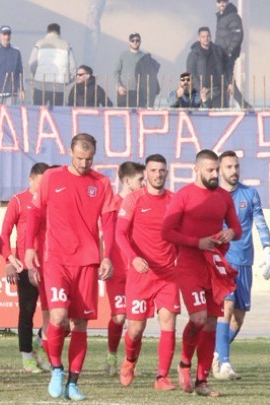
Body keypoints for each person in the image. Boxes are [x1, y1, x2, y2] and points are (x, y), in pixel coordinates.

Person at [24, 133, 119, 401]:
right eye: (79, 158)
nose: (84, 163)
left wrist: (108, 257)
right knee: (57, 317)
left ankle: (73, 383)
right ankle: (56, 369)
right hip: (55, 259)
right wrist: (30, 248)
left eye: (89, 159)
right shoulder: (52, 177)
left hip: (87, 261)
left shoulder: (101, 183)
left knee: (80, 324)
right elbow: (35, 213)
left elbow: (109, 222)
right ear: (70, 152)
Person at [161, 149, 242, 397]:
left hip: (213, 265)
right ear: (196, 170)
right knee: (198, 318)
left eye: (217, 169)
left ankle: (202, 382)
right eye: (210, 170)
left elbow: (236, 228)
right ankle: (184, 363)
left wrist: (230, 233)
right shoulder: (184, 195)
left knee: (211, 322)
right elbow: (167, 232)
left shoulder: (223, 197)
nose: (215, 174)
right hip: (189, 265)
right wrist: (197, 243)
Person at [115, 154, 179, 391]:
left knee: (168, 321)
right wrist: (134, 258)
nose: (158, 174)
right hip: (140, 275)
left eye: (162, 170)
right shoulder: (134, 200)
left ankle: (162, 377)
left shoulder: (175, 201)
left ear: (166, 173)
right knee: (136, 329)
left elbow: (181, 233)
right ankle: (129, 361)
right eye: (153, 170)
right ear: (146, 174)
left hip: (168, 275)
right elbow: (120, 234)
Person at [212, 150, 270, 380]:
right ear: (220, 170)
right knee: (226, 307)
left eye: (236, 166)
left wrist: (268, 250)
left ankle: (215, 353)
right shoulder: (214, 196)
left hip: (245, 262)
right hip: (222, 261)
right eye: (229, 167)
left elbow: (260, 223)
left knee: (238, 317)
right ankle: (224, 363)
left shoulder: (250, 194)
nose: (234, 171)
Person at [1, 162, 51, 373]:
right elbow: (4, 233)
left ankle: (40, 345)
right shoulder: (18, 201)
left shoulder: (52, 200)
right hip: (25, 266)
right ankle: (27, 357)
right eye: (40, 183)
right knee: (27, 311)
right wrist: (9, 261)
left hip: (50, 265)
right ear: (30, 180)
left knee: (58, 314)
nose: (43, 187)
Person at [105, 161, 143, 377]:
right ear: (128, 181)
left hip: (139, 272)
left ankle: (131, 363)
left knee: (137, 321)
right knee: (119, 317)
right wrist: (105, 260)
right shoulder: (112, 204)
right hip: (117, 271)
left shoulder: (143, 202)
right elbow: (106, 234)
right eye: (141, 179)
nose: (144, 183)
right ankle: (111, 356)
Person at [214, 0, 251, 109]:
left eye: (224, 1)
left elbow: (238, 35)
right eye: (219, 2)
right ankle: (239, 104)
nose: (221, 4)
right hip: (221, 53)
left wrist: (230, 51)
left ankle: (242, 104)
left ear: (228, 2)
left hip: (227, 54)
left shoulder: (232, 16)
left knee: (227, 79)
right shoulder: (222, 16)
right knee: (226, 79)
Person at [29, 23, 76, 106]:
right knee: (56, 112)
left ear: (47, 31)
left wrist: (36, 75)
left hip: (40, 84)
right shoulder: (66, 45)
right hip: (58, 86)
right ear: (59, 32)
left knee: (39, 111)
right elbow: (73, 68)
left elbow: (31, 63)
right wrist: (67, 81)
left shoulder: (39, 43)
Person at [186, 27, 232, 109]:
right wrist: (200, 88)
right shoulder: (194, 54)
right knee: (204, 115)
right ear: (199, 38)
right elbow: (191, 73)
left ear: (211, 37)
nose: (206, 39)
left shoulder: (218, 51)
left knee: (220, 115)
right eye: (203, 37)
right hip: (202, 93)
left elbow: (228, 65)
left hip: (218, 91)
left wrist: (230, 82)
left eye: (207, 36)